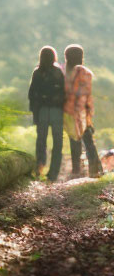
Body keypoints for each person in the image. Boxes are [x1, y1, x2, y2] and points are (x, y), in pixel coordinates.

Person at [63, 44, 102, 178]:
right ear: (81, 57)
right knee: (89, 141)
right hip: (82, 112)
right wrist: (90, 112)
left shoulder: (64, 72)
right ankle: (95, 170)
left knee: (74, 142)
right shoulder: (85, 72)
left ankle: (76, 172)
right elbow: (87, 94)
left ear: (67, 57)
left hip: (68, 112)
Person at [28, 46, 64, 181]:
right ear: (54, 56)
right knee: (57, 142)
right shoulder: (58, 72)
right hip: (56, 111)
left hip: (42, 111)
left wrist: (34, 113)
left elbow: (31, 94)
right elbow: (63, 93)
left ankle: (39, 168)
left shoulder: (37, 72)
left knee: (41, 141)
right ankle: (53, 173)